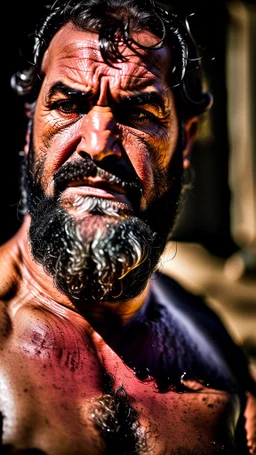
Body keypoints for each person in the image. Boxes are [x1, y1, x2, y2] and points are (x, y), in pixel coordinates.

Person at [1, 0, 255, 453]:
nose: (98, 145)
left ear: (185, 141)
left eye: (138, 114)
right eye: (69, 104)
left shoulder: (208, 341)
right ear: (29, 127)